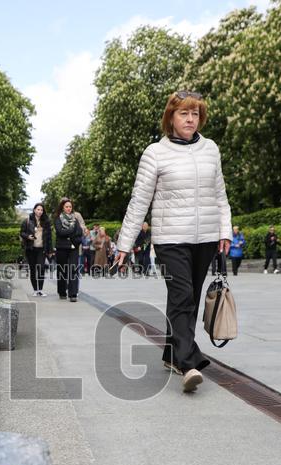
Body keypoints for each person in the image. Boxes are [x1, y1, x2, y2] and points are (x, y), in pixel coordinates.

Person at [112, 90, 232, 393]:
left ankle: (170, 353)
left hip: (205, 237)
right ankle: (189, 362)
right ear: (171, 117)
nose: (190, 119)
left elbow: (220, 195)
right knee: (182, 295)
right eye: (183, 113)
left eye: (195, 113)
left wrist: (225, 231)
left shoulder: (211, 149)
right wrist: (124, 245)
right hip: (170, 240)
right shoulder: (155, 153)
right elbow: (139, 201)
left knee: (188, 299)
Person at [54, 197, 85, 301]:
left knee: (73, 270)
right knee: (62, 271)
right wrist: (72, 230)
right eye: (66, 207)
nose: (68, 208)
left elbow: (79, 233)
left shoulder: (75, 219)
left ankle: (73, 294)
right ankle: (62, 292)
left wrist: (75, 240)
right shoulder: (58, 219)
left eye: (70, 207)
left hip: (73, 248)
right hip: (62, 247)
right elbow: (60, 232)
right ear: (63, 208)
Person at [20, 203, 53, 295]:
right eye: (38, 209)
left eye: (41, 210)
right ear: (34, 210)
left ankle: (40, 290)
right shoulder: (27, 220)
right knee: (33, 270)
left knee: (41, 268)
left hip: (41, 249)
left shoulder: (46, 222)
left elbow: (49, 237)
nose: (40, 211)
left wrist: (50, 250)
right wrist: (28, 236)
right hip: (31, 249)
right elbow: (22, 233)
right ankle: (35, 290)